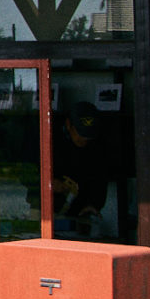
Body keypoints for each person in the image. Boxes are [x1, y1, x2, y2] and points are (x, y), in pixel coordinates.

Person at [51, 101, 116, 236]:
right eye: (80, 134)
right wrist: (49, 183)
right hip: (48, 211)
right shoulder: (51, 139)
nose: (83, 140)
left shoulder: (97, 147)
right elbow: (30, 173)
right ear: (69, 125)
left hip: (81, 213)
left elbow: (100, 178)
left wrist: (93, 204)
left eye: (88, 136)